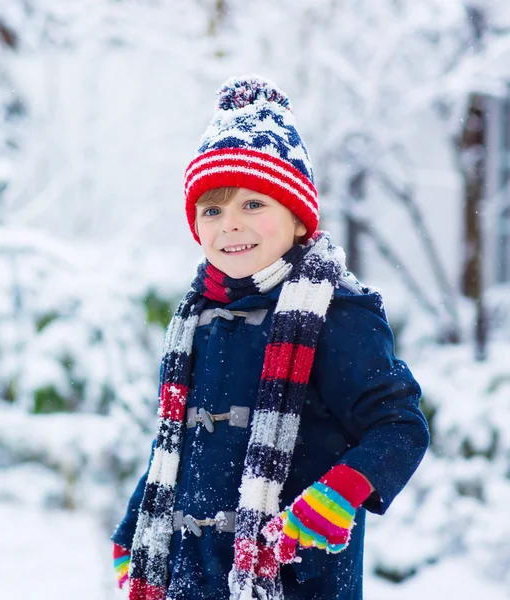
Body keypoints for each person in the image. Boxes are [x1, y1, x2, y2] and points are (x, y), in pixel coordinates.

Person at [111, 75, 429, 600]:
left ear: (298, 219)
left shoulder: (335, 311)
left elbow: (399, 428)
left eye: (253, 205)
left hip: (290, 576)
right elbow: (178, 443)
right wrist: (133, 530)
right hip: (192, 580)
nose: (229, 225)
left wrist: (334, 498)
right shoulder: (198, 316)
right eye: (212, 210)